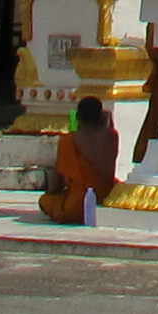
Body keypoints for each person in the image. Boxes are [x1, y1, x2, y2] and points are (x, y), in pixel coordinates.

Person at [38, 94, 123, 225]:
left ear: (77, 118)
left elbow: (55, 185)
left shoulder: (68, 141)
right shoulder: (112, 136)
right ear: (101, 117)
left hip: (77, 207)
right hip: (106, 200)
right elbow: (108, 128)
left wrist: (51, 196)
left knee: (44, 201)